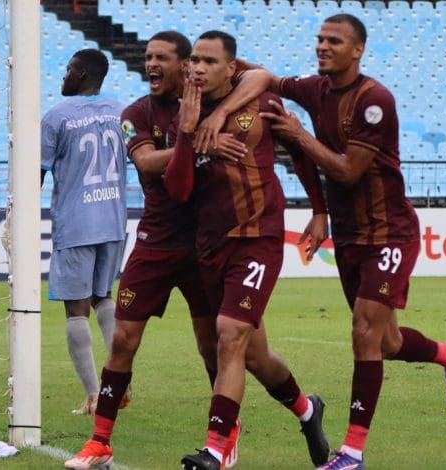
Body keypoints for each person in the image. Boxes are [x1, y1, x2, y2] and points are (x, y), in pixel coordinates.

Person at [199, 14, 446, 470]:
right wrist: (218, 81)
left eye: (334, 41)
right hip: (350, 236)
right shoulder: (314, 88)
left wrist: (298, 134)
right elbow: (262, 75)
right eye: (320, 39)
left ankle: (352, 453)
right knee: (385, 341)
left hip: (390, 232)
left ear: (358, 50)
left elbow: (348, 170)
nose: (323, 46)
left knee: (364, 333)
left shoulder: (374, 100)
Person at [63, 31, 250, 470]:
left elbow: (258, 77)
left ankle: (224, 435)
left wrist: (211, 119)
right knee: (124, 340)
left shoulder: (216, 103)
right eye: (147, 57)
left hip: (205, 244)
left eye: (162, 57)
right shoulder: (136, 113)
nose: (150, 64)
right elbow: (146, 162)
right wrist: (198, 138)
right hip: (156, 242)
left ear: (186, 65)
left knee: (211, 346)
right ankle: (100, 442)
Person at [164, 30, 331, 470]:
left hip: (258, 238)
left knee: (229, 335)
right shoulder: (182, 109)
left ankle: (216, 448)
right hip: (210, 244)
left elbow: (299, 153)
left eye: (208, 61)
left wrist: (319, 209)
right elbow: (178, 189)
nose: (197, 68)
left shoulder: (262, 103)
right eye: (194, 60)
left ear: (231, 67)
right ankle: (308, 411)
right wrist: (188, 135)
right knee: (254, 355)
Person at [40, 49, 128, 419]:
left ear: (81, 74)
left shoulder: (57, 117)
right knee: (103, 298)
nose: (63, 76)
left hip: (76, 224)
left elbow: (36, 173)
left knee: (76, 310)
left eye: (67, 69)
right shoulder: (123, 113)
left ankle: (96, 394)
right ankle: (119, 387)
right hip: (113, 220)